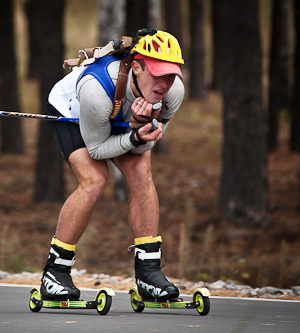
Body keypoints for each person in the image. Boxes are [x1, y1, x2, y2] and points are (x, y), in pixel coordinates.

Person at [41, 29, 185, 301]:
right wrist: (134, 134)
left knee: (141, 173)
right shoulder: (96, 89)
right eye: (157, 73)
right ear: (137, 67)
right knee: (94, 180)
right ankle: (55, 271)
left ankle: (148, 273)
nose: (164, 83)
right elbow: (96, 150)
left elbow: (143, 145)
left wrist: (141, 128)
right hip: (74, 114)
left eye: (171, 74)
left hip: (121, 118)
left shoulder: (173, 91)